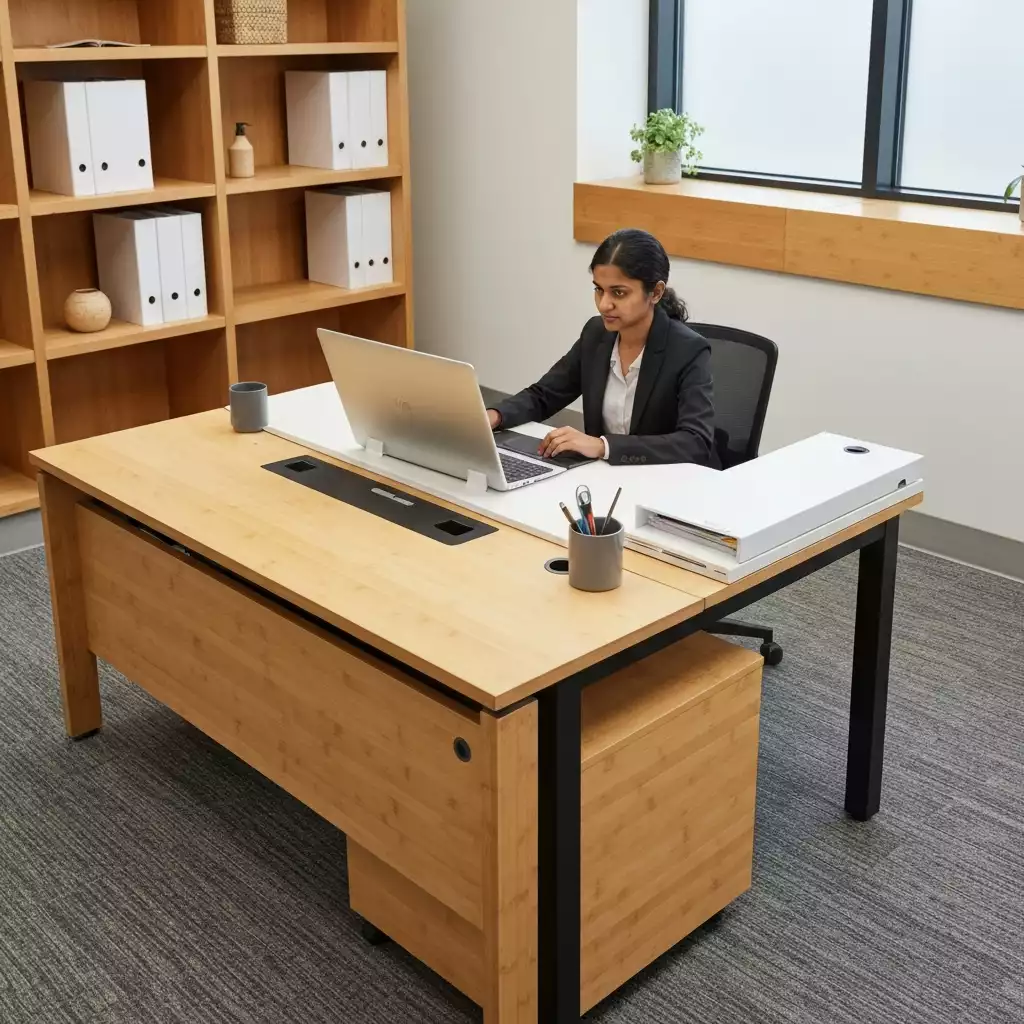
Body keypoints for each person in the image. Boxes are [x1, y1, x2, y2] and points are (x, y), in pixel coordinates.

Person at [487, 228, 719, 468]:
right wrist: (494, 416)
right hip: (603, 477)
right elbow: (544, 395)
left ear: (656, 293)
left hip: (666, 482)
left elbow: (696, 442)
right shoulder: (596, 334)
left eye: (619, 293)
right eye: (599, 290)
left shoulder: (688, 350)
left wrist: (603, 446)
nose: (604, 304)